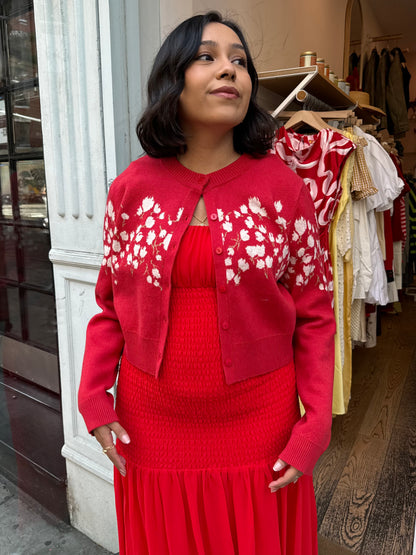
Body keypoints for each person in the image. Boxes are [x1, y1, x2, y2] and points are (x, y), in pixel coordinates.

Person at [78, 11, 336, 555]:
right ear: (174, 77)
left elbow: (315, 314)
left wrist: (315, 421)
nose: (230, 71)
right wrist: (93, 397)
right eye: (208, 56)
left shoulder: (283, 190)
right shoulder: (130, 189)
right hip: (152, 426)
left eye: (240, 62)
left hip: (259, 425)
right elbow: (109, 307)